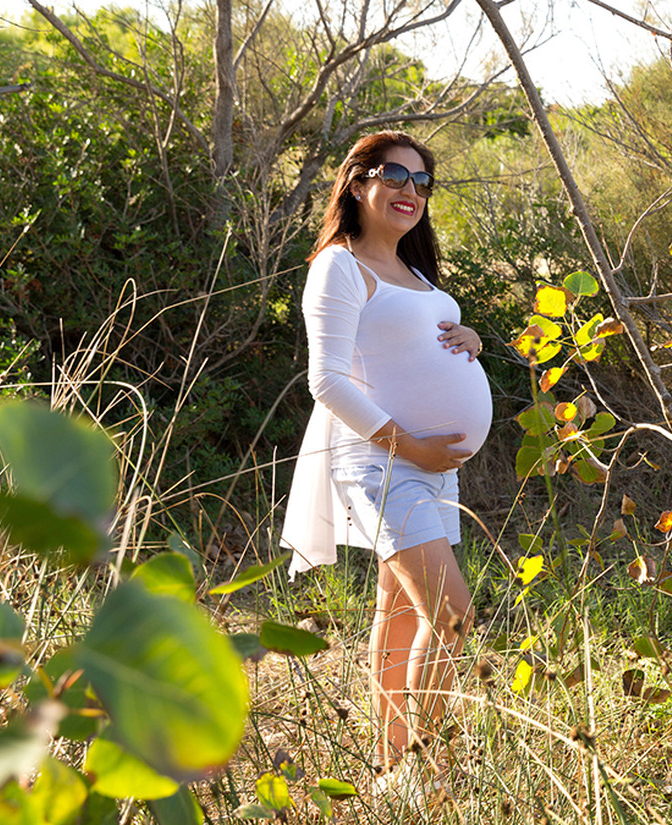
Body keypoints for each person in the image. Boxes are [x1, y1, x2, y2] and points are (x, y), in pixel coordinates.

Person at [280, 131, 491, 800]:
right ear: (358, 181)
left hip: (433, 467)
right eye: (395, 175)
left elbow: (419, 342)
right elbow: (328, 381)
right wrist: (412, 445)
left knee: (399, 607)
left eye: (422, 182)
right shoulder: (339, 266)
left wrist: (470, 337)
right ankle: (423, 773)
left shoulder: (415, 272)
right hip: (382, 459)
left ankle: (391, 764)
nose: (410, 190)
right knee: (453, 616)